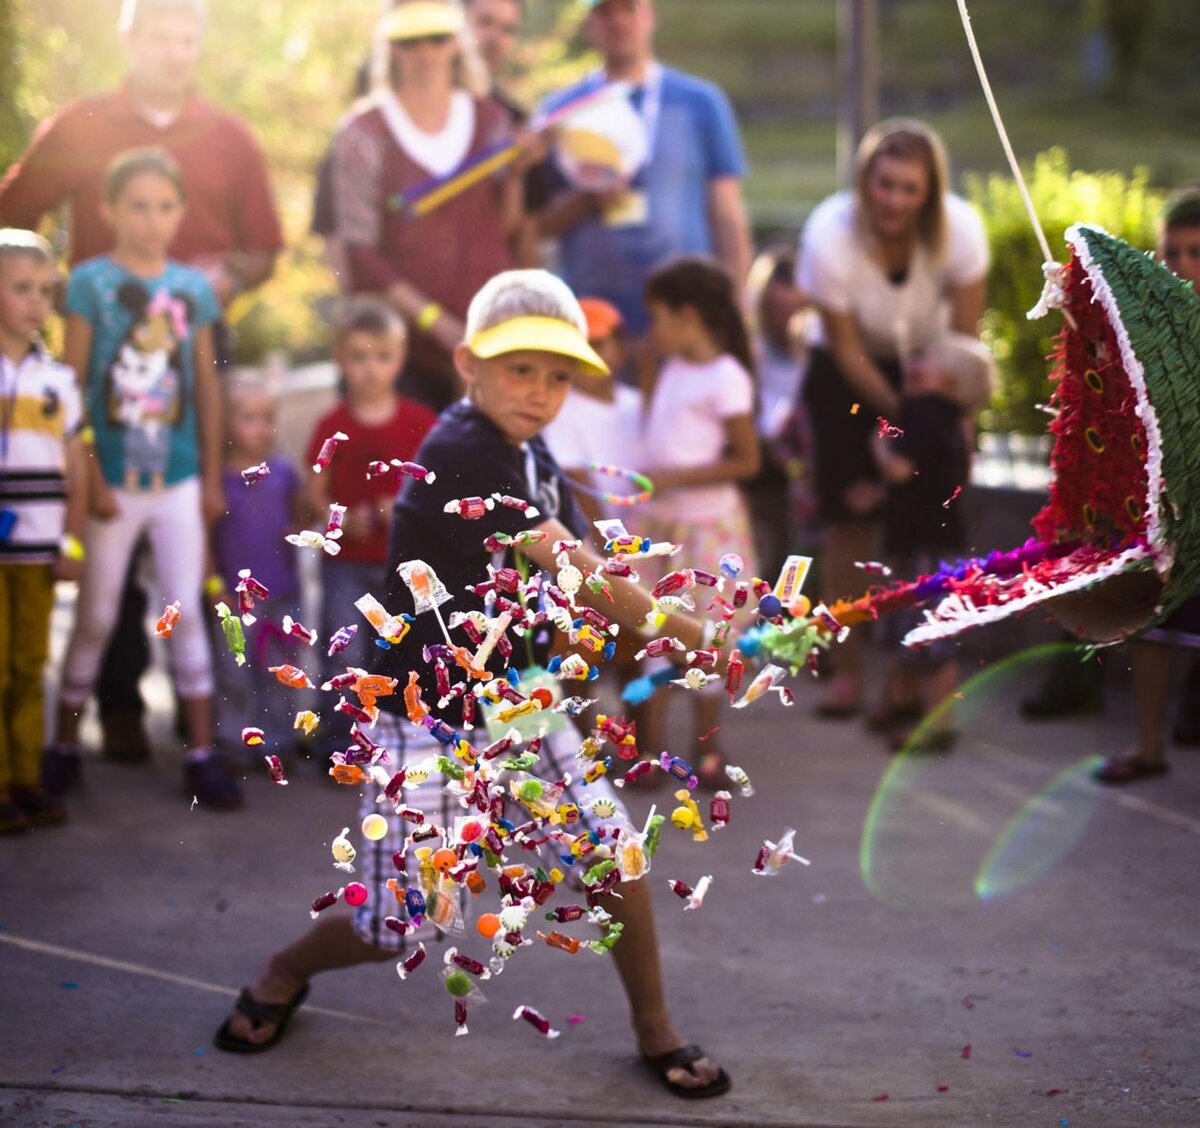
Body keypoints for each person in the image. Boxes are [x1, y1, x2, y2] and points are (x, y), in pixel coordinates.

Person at [214, 269, 731, 1099]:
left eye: (559, 375)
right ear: (468, 363)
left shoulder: (529, 450)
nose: (540, 392)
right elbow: (586, 574)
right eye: (520, 370)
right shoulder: (464, 451)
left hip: (518, 705)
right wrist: (703, 634)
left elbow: (558, 595)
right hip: (428, 716)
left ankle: (654, 1030)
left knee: (615, 859)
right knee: (405, 923)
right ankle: (282, 971)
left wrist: (574, 681)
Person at [0, 0, 283, 767]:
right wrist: (49, 294)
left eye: (187, 35)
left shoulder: (228, 136)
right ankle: (113, 708)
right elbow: (14, 211)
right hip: (104, 362)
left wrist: (211, 291)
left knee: (188, 548)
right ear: (129, 37)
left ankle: (208, 726)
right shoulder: (82, 125)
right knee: (107, 562)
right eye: (158, 31)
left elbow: (265, 247)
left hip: (194, 347)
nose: (173, 48)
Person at [43, 148, 234, 808]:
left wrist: (210, 478)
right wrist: (88, 477)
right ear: (107, 210)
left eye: (164, 207)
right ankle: (62, 747)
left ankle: (203, 756)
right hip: (111, 482)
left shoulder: (194, 289)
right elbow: (73, 389)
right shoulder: (89, 284)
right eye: (137, 207)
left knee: (182, 611)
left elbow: (206, 390)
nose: (151, 221)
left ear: (181, 211)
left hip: (177, 479)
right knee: (95, 615)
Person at [795, 118, 988, 718]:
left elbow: (964, 336)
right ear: (864, 182)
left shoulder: (961, 232)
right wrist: (905, 416)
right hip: (849, 374)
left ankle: (908, 682)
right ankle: (848, 670)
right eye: (885, 185)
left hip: (932, 371)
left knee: (923, 523)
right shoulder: (829, 233)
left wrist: (947, 418)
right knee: (847, 522)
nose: (896, 200)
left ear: (930, 191)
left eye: (911, 188)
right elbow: (847, 349)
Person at [331, 0, 522, 412]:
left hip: (487, 339)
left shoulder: (492, 120)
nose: (424, 53)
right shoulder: (362, 133)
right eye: (409, 41)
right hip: (400, 354)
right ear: (390, 47)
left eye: (437, 39)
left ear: (456, 42)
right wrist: (437, 323)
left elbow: (507, 225)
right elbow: (360, 252)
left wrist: (519, 171)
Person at [536, 0, 752, 343]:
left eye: (628, 10)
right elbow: (536, 225)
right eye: (605, 12)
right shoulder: (559, 110)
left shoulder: (700, 103)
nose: (618, 22)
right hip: (591, 319)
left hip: (686, 315)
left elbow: (727, 215)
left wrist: (737, 307)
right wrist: (587, 200)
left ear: (649, 15)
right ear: (589, 23)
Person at [635, 257, 760, 784]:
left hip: (707, 529)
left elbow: (748, 459)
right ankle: (651, 753)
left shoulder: (726, 376)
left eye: (658, 317)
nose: (652, 330)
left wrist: (677, 478)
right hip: (663, 530)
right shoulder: (671, 366)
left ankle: (707, 752)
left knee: (710, 641)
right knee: (655, 634)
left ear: (688, 316)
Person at [1094, 185, 1200, 783]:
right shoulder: (1147, 331)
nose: (1181, 264)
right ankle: (1148, 746)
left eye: (1195, 251)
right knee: (1154, 631)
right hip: (1166, 512)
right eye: (1171, 252)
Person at [303, 298, 437, 724]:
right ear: (338, 361)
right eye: (358, 357)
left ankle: (393, 738)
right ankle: (340, 741)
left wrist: (403, 505)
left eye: (383, 357)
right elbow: (314, 493)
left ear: (400, 360)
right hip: (345, 563)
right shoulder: (331, 424)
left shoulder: (420, 421)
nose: (371, 369)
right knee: (344, 652)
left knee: (401, 653)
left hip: (402, 565)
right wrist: (341, 519)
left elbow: (436, 487)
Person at [870, 334, 994, 751]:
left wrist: (880, 448)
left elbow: (901, 471)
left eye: (929, 359)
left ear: (949, 383)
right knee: (916, 631)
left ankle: (935, 726)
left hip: (923, 548)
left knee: (925, 636)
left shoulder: (924, 413)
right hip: (939, 543)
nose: (916, 363)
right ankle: (905, 705)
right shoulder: (953, 421)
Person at [0, 230, 85, 833]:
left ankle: (25, 776)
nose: (35, 302)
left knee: (30, 663)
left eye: (44, 291)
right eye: (20, 289)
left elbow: (77, 466)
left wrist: (72, 541)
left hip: (38, 546)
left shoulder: (58, 381)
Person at [209, 372, 306, 768]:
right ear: (226, 424)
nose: (261, 427)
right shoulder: (218, 481)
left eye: (268, 416)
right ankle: (233, 743)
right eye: (248, 417)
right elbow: (207, 537)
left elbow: (301, 517)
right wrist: (214, 585)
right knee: (234, 673)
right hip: (234, 598)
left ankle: (278, 744)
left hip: (282, 591)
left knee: (280, 671)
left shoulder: (283, 474)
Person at [541, 296, 641, 531]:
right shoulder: (560, 411)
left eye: (596, 345)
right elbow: (581, 493)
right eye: (576, 350)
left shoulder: (637, 403)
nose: (585, 358)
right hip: (609, 548)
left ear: (622, 348)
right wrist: (612, 552)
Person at [746, 246, 809, 580]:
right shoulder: (753, 351)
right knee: (767, 558)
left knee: (801, 559)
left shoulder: (817, 350)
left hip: (807, 472)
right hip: (765, 475)